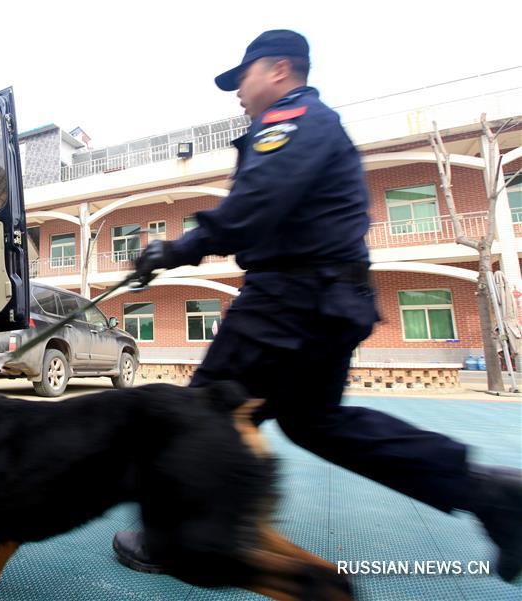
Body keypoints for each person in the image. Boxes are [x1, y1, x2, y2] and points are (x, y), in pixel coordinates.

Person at [113, 30, 521, 583]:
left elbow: (258, 203)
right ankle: (490, 494)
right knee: (316, 424)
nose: (237, 92)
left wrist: (175, 248)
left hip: (288, 299)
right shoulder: (310, 122)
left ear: (279, 70)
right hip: (326, 300)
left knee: (199, 416)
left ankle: (178, 538)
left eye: (243, 77)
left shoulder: (292, 119)